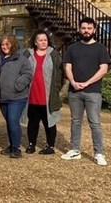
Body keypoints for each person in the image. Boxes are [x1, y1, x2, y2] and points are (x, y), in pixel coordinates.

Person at [62, 17, 110, 166]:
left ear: (94, 30)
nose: (86, 31)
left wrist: (87, 83)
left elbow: (103, 69)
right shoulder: (72, 48)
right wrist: (74, 82)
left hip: (93, 91)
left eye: (89, 28)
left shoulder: (101, 48)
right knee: (75, 121)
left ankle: (99, 153)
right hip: (74, 91)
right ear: (79, 29)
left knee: (95, 122)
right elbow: (67, 67)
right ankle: (74, 150)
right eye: (83, 28)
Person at [24, 29, 63, 155]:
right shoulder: (27, 54)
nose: (43, 42)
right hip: (32, 95)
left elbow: (59, 74)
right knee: (33, 122)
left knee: (49, 122)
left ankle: (50, 146)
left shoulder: (54, 55)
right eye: (40, 40)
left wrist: (56, 89)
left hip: (48, 96)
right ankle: (31, 144)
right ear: (35, 42)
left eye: (45, 40)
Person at [0, 34, 32, 159]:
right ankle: (11, 144)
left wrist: (18, 85)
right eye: (3, 44)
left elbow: (28, 74)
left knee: (13, 121)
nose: (4, 47)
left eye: (7, 44)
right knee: (9, 121)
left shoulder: (21, 58)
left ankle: (16, 147)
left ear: (13, 44)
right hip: (2, 96)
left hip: (17, 96)